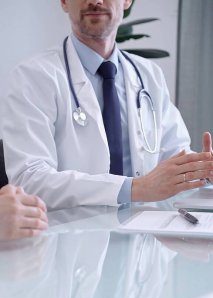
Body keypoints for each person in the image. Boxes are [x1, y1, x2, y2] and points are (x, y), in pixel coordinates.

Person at [1, 0, 213, 210]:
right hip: (68, 237)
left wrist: (202, 169)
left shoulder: (149, 75)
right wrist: (135, 188)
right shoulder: (32, 76)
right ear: (64, 2)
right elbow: (29, 180)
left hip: (142, 234)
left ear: (127, 1)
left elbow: (174, 156)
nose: (95, 1)